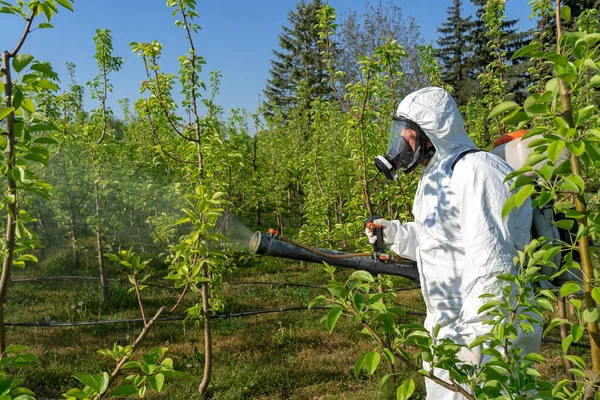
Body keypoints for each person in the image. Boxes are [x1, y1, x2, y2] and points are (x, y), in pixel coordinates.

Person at [365, 87, 542, 399]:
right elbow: (437, 238)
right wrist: (396, 234)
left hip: (483, 330)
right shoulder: (435, 176)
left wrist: (481, 344)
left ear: (430, 132)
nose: (401, 142)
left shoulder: (477, 170)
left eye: (407, 134)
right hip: (445, 328)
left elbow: (492, 261)